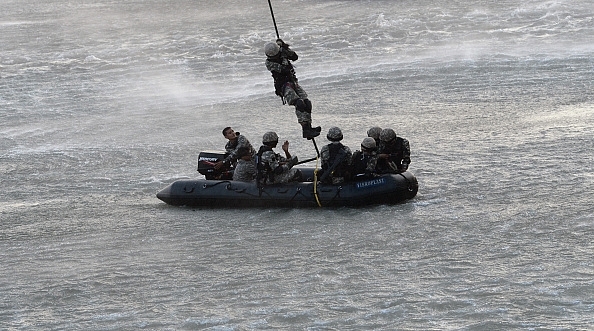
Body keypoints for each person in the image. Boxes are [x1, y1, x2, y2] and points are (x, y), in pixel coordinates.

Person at [264, 39, 321, 139]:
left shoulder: (281, 52)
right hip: (283, 85)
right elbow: (284, 69)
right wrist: (283, 54)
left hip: (293, 81)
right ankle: (305, 129)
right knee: (299, 103)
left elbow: (294, 57)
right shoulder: (269, 63)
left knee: (307, 103)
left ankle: (308, 127)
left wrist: (286, 48)